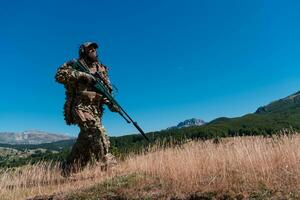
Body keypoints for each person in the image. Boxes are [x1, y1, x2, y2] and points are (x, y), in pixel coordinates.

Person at [55, 42, 119, 174]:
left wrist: (111, 102)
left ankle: (69, 169)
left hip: (96, 109)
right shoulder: (74, 64)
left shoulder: (101, 68)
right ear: (83, 51)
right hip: (81, 107)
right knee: (96, 132)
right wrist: (82, 75)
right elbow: (59, 75)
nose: (94, 50)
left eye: (95, 49)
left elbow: (106, 89)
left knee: (85, 141)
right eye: (90, 49)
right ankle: (109, 167)